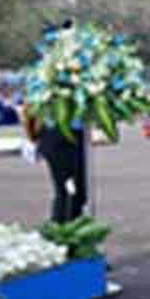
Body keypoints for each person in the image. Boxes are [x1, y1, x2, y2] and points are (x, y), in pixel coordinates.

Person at [23, 21, 88, 223]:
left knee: (79, 193)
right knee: (67, 191)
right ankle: (60, 237)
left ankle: (72, 237)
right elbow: (32, 106)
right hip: (55, 135)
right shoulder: (45, 71)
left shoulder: (75, 66)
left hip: (75, 134)